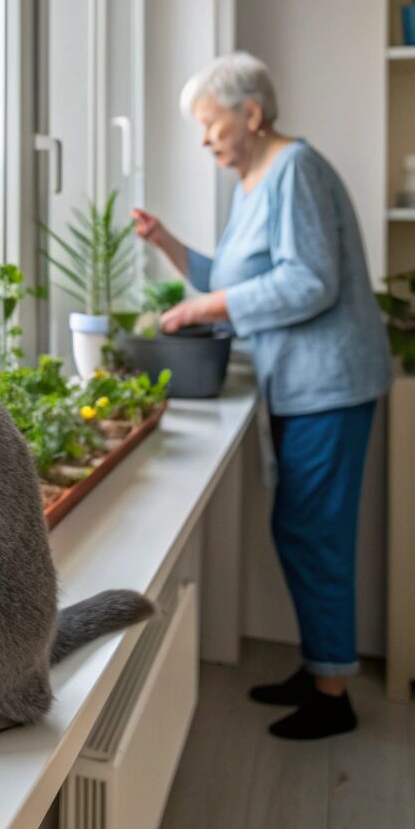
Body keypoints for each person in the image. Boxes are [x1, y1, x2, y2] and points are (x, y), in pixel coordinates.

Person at [134, 51, 392, 740]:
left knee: (316, 533)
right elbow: (231, 275)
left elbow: (312, 281)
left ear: (251, 113)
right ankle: (318, 669)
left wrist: (203, 308)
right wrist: (165, 244)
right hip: (300, 384)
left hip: (328, 384)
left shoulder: (295, 171)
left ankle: (333, 693)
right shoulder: (253, 184)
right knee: (301, 528)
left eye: (211, 124)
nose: (205, 139)